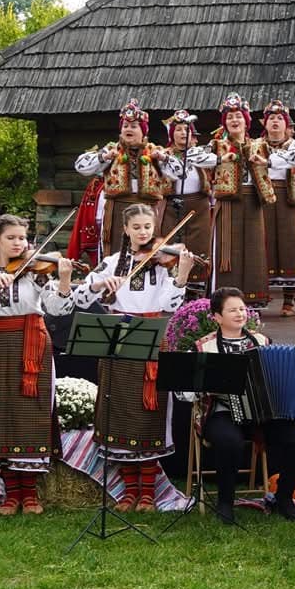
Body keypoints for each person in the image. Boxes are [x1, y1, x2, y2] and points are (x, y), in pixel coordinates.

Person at [74, 204, 196, 512]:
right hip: (117, 342)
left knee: (148, 416)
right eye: (137, 227)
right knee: (119, 414)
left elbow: (170, 303)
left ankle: (147, 492)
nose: (144, 232)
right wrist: (101, 282)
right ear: (125, 230)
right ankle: (129, 491)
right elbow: (81, 296)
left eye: (148, 227)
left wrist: (181, 275)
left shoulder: (163, 264)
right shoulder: (112, 262)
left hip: (152, 340)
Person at [0, 214, 78, 515]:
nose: (19, 243)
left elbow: (57, 309)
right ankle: (10, 492)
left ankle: (30, 493)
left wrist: (65, 279)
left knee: (31, 411)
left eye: (22, 238)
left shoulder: (37, 272)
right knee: (1, 411)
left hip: (32, 342)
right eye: (12, 238)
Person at [186, 287, 295, 524]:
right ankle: (225, 503)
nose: (240, 314)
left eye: (242, 309)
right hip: (221, 412)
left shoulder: (262, 341)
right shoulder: (204, 347)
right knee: (230, 441)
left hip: (261, 412)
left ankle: (283, 497)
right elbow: (184, 391)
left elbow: (281, 375)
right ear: (217, 316)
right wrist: (205, 385)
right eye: (232, 310)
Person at [190, 93, 274, 308]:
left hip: (252, 201)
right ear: (225, 123)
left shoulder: (259, 145)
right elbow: (192, 157)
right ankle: (223, 301)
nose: (234, 120)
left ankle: (252, 301)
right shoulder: (217, 145)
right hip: (228, 203)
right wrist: (220, 159)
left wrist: (264, 162)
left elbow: (282, 160)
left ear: (246, 120)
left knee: (254, 248)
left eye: (238, 116)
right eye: (230, 117)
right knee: (227, 252)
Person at [73, 98, 165, 266]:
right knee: (116, 252)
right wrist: (103, 157)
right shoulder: (112, 150)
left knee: (147, 254)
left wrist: (164, 159)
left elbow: (179, 172)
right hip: (118, 211)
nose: (128, 129)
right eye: (125, 126)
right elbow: (80, 166)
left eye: (134, 126)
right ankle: (114, 287)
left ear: (143, 131)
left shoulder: (154, 151)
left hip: (147, 211)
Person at [259, 99, 295, 318]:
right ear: (265, 123)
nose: (275, 122)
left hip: (290, 198)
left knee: (292, 244)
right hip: (263, 198)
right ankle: (261, 295)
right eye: (271, 118)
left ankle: (289, 300)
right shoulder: (256, 146)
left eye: (280, 118)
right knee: (263, 243)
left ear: (286, 124)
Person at [153, 109, 214, 291]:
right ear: (172, 134)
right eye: (178, 129)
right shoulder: (163, 155)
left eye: (186, 130)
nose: (182, 133)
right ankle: (173, 288)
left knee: (198, 247)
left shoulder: (200, 154)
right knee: (171, 247)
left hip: (199, 208)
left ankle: (196, 291)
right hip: (172, 206)